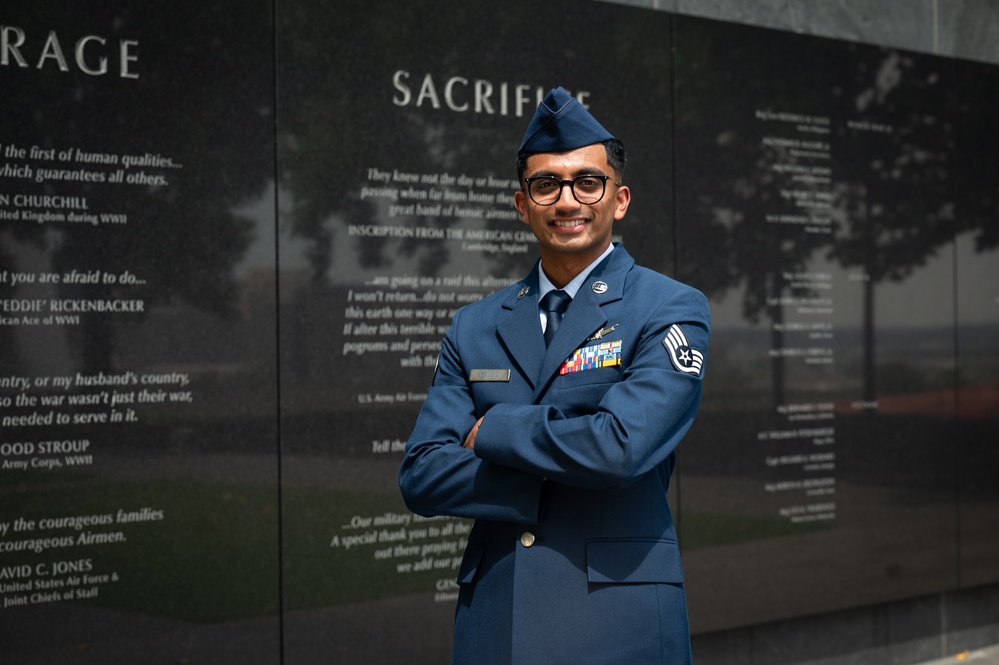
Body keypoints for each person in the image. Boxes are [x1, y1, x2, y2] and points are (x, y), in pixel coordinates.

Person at [399, 87, 709, 664]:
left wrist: (491, 431)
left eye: (587, 182)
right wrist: (542, 472)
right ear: (523, 206)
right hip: (498, 621)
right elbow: (421, 474)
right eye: (546, 184)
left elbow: (620, 448)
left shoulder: (668, 307)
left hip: (616, 621)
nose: (568, 200)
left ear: (620, 200)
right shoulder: (475, 325)